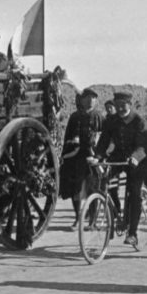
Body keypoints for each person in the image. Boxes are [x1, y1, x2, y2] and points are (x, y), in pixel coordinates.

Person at [92, 91, 147, 247]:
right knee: (104, 181)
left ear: (129, 104)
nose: (120, 109)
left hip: (138, 160)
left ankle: (132, 233)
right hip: (118, 157)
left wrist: (135, 157)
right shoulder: (111, 121)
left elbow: (143, 145)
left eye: (123, 105)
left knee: (134, 192)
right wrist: (98, 156)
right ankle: (113, 219)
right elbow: (103, 141)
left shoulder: (138, 121)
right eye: (117, 106)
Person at [59, 88, 102, 228]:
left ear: (96, 101)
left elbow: (104, 137)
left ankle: (92, 220)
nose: (90, 101)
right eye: (87, 98)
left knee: (93, 187)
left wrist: (99, 154)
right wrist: (66, 153)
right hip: (76, 157)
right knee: (76, 188)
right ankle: (78, 218)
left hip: (93, 157)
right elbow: (67, 137)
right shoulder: (74, 116)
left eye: (93, 98)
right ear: (82, 100)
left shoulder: (99, 116)